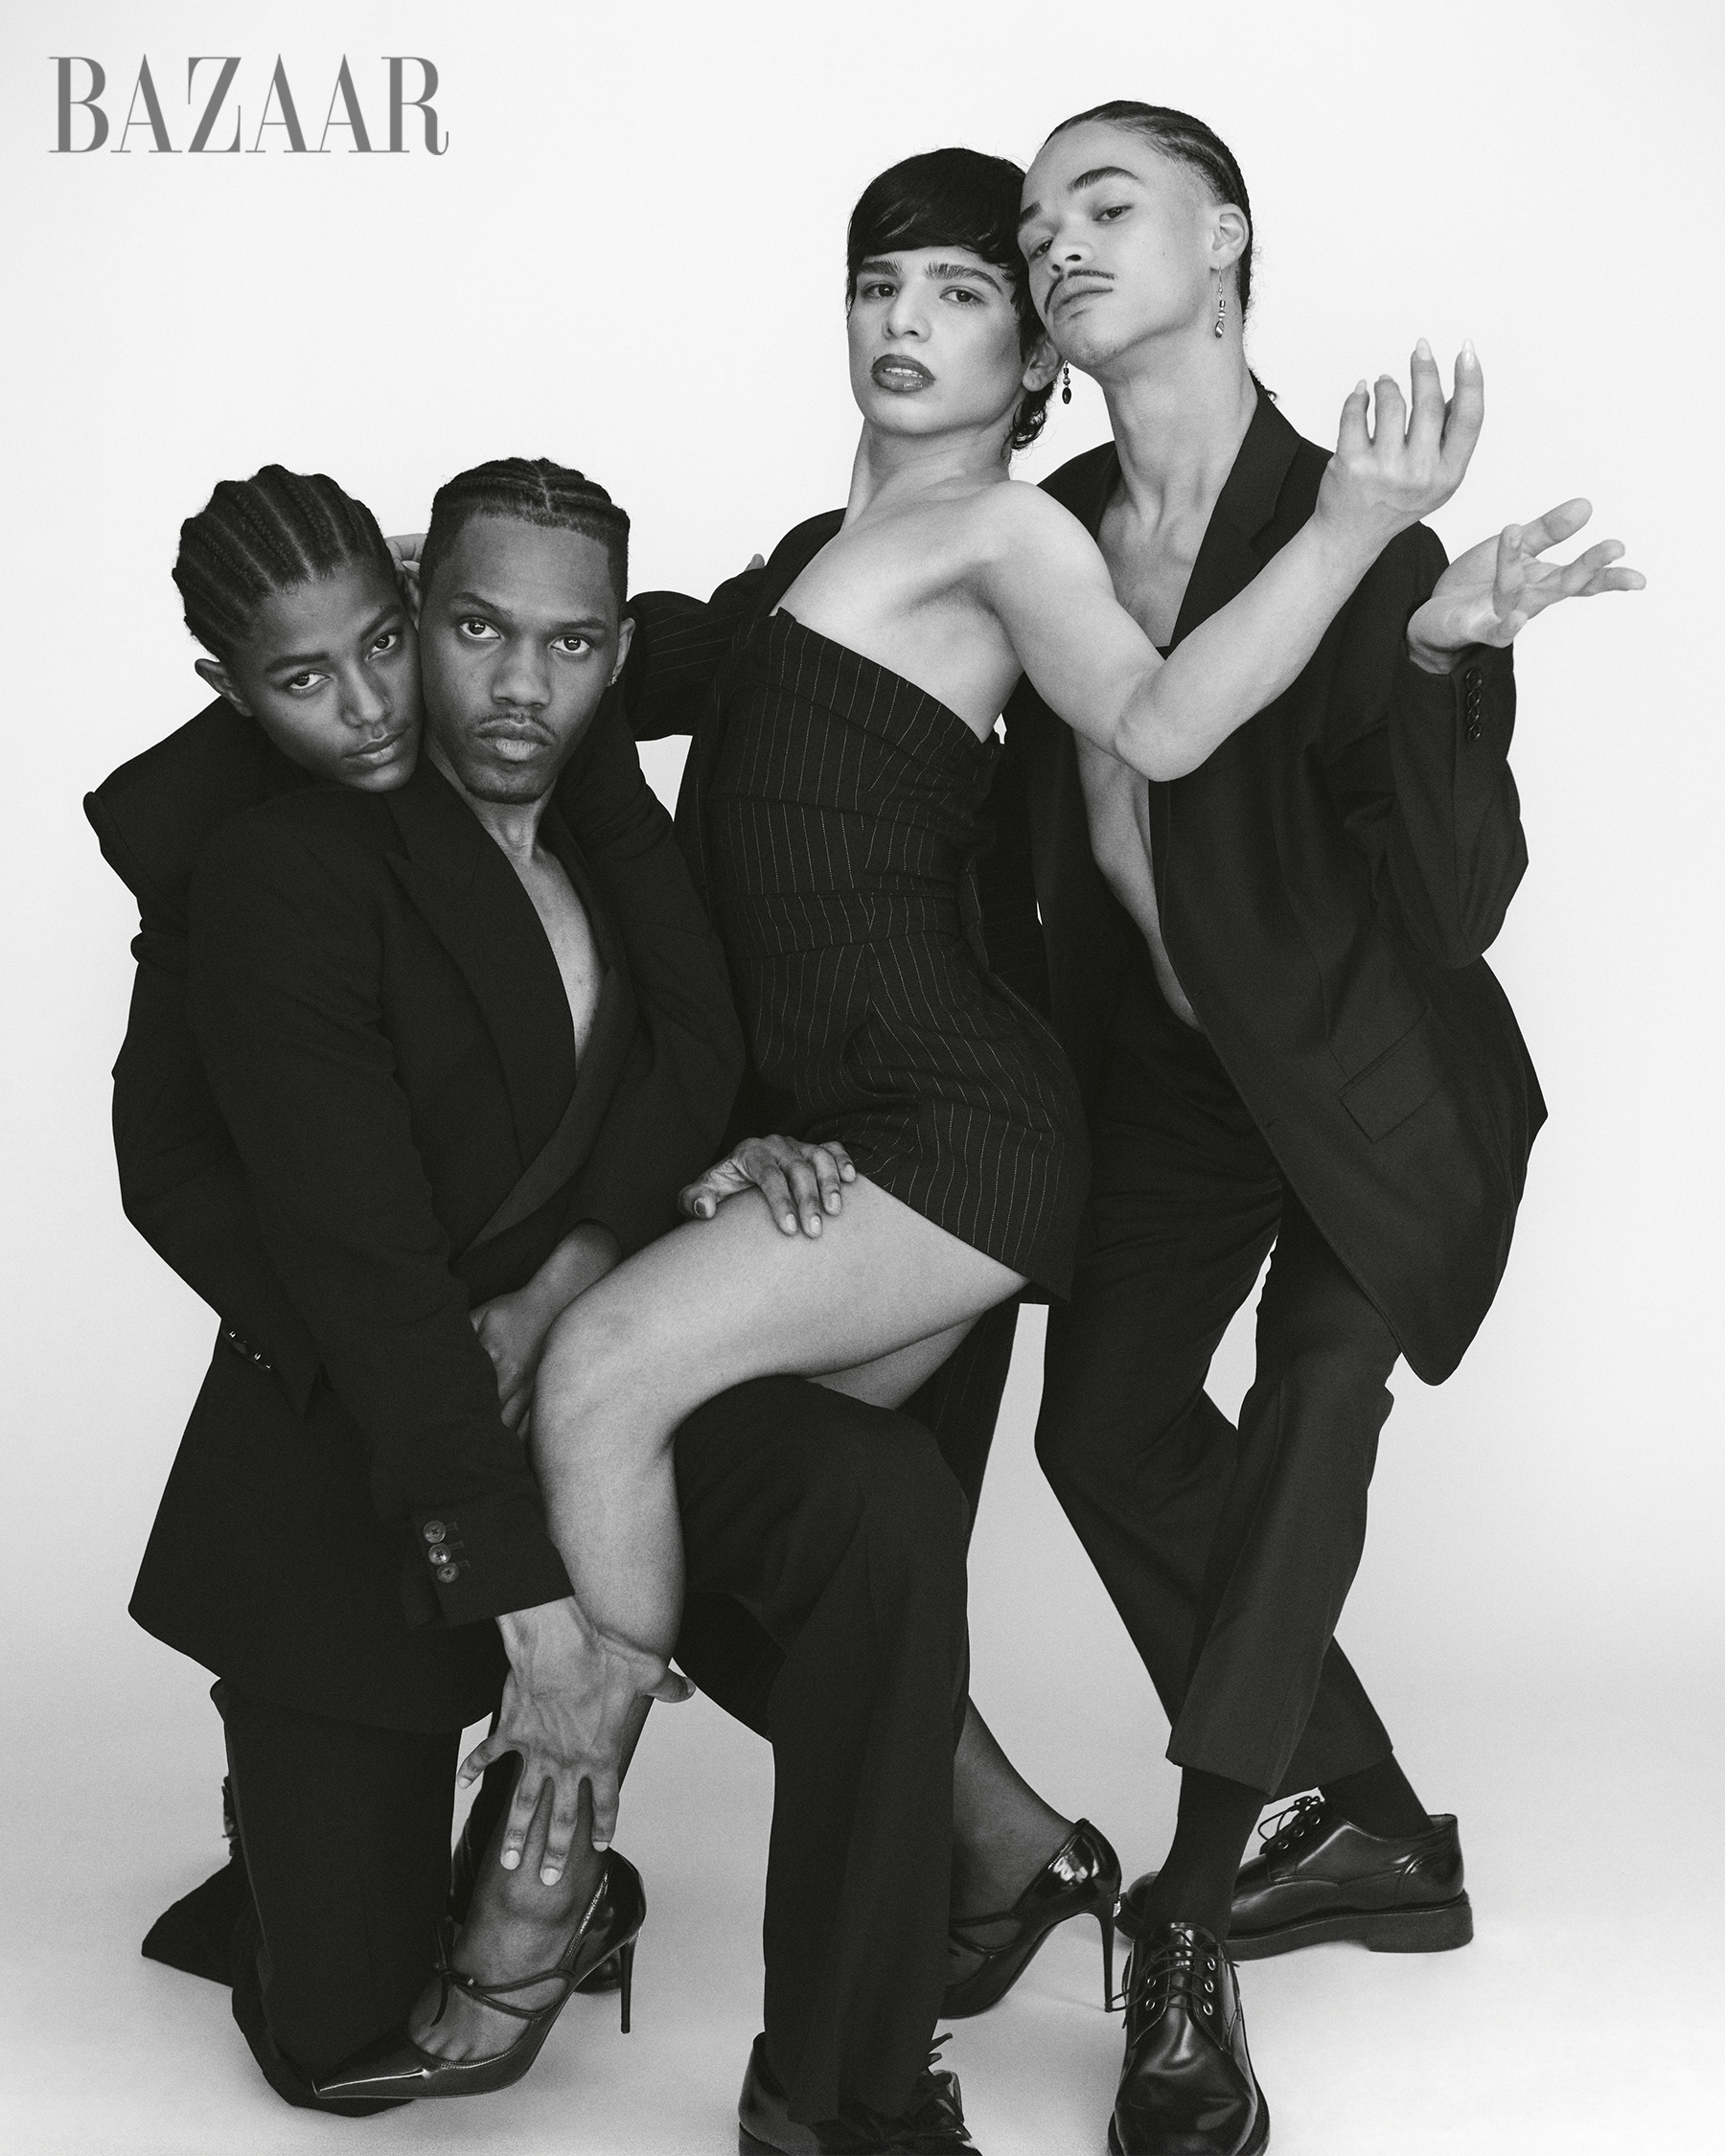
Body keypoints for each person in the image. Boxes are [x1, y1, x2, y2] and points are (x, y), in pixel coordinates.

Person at [430, 148, 1482, 2140]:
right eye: (877, 286)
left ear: (1035, 359)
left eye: (963, 290)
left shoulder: (1007, 532)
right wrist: (412, 600)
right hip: (842, 1142)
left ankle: (548, 1849)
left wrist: (1356, 529)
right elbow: (622, 673)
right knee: (744, 1506)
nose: (906, 322)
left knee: (604, 1377)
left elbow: (1159, 727)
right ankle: (1003, 1856)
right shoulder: (822, 554)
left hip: (962, 1136)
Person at [109, 461, 987, 2150]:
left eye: (562, 646)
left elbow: (695, 1038)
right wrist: (535, 1616)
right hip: (382, 1454)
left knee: (879, 1509)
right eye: (467, 634)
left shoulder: (573, 772)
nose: (425, 696)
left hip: (599, 1389)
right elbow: (352, 1273)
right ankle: (293, 1843)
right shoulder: (282, 870)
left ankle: (849, 2085)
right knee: (341, 2044)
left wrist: (604, 1252)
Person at [1006, 103, 1642, 2156]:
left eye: (1107, 203)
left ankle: (1192, 1926)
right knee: (1101, 1429)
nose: (1058, 242)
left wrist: (1449, 657)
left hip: (1378, 1089)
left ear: (1226, 238)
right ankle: (1367, 1821)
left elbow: (1452, 910)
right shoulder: (1048, 527)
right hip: (1183, 1089)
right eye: (1035, 221)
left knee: (1306, 1413)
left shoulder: (1354, 517)